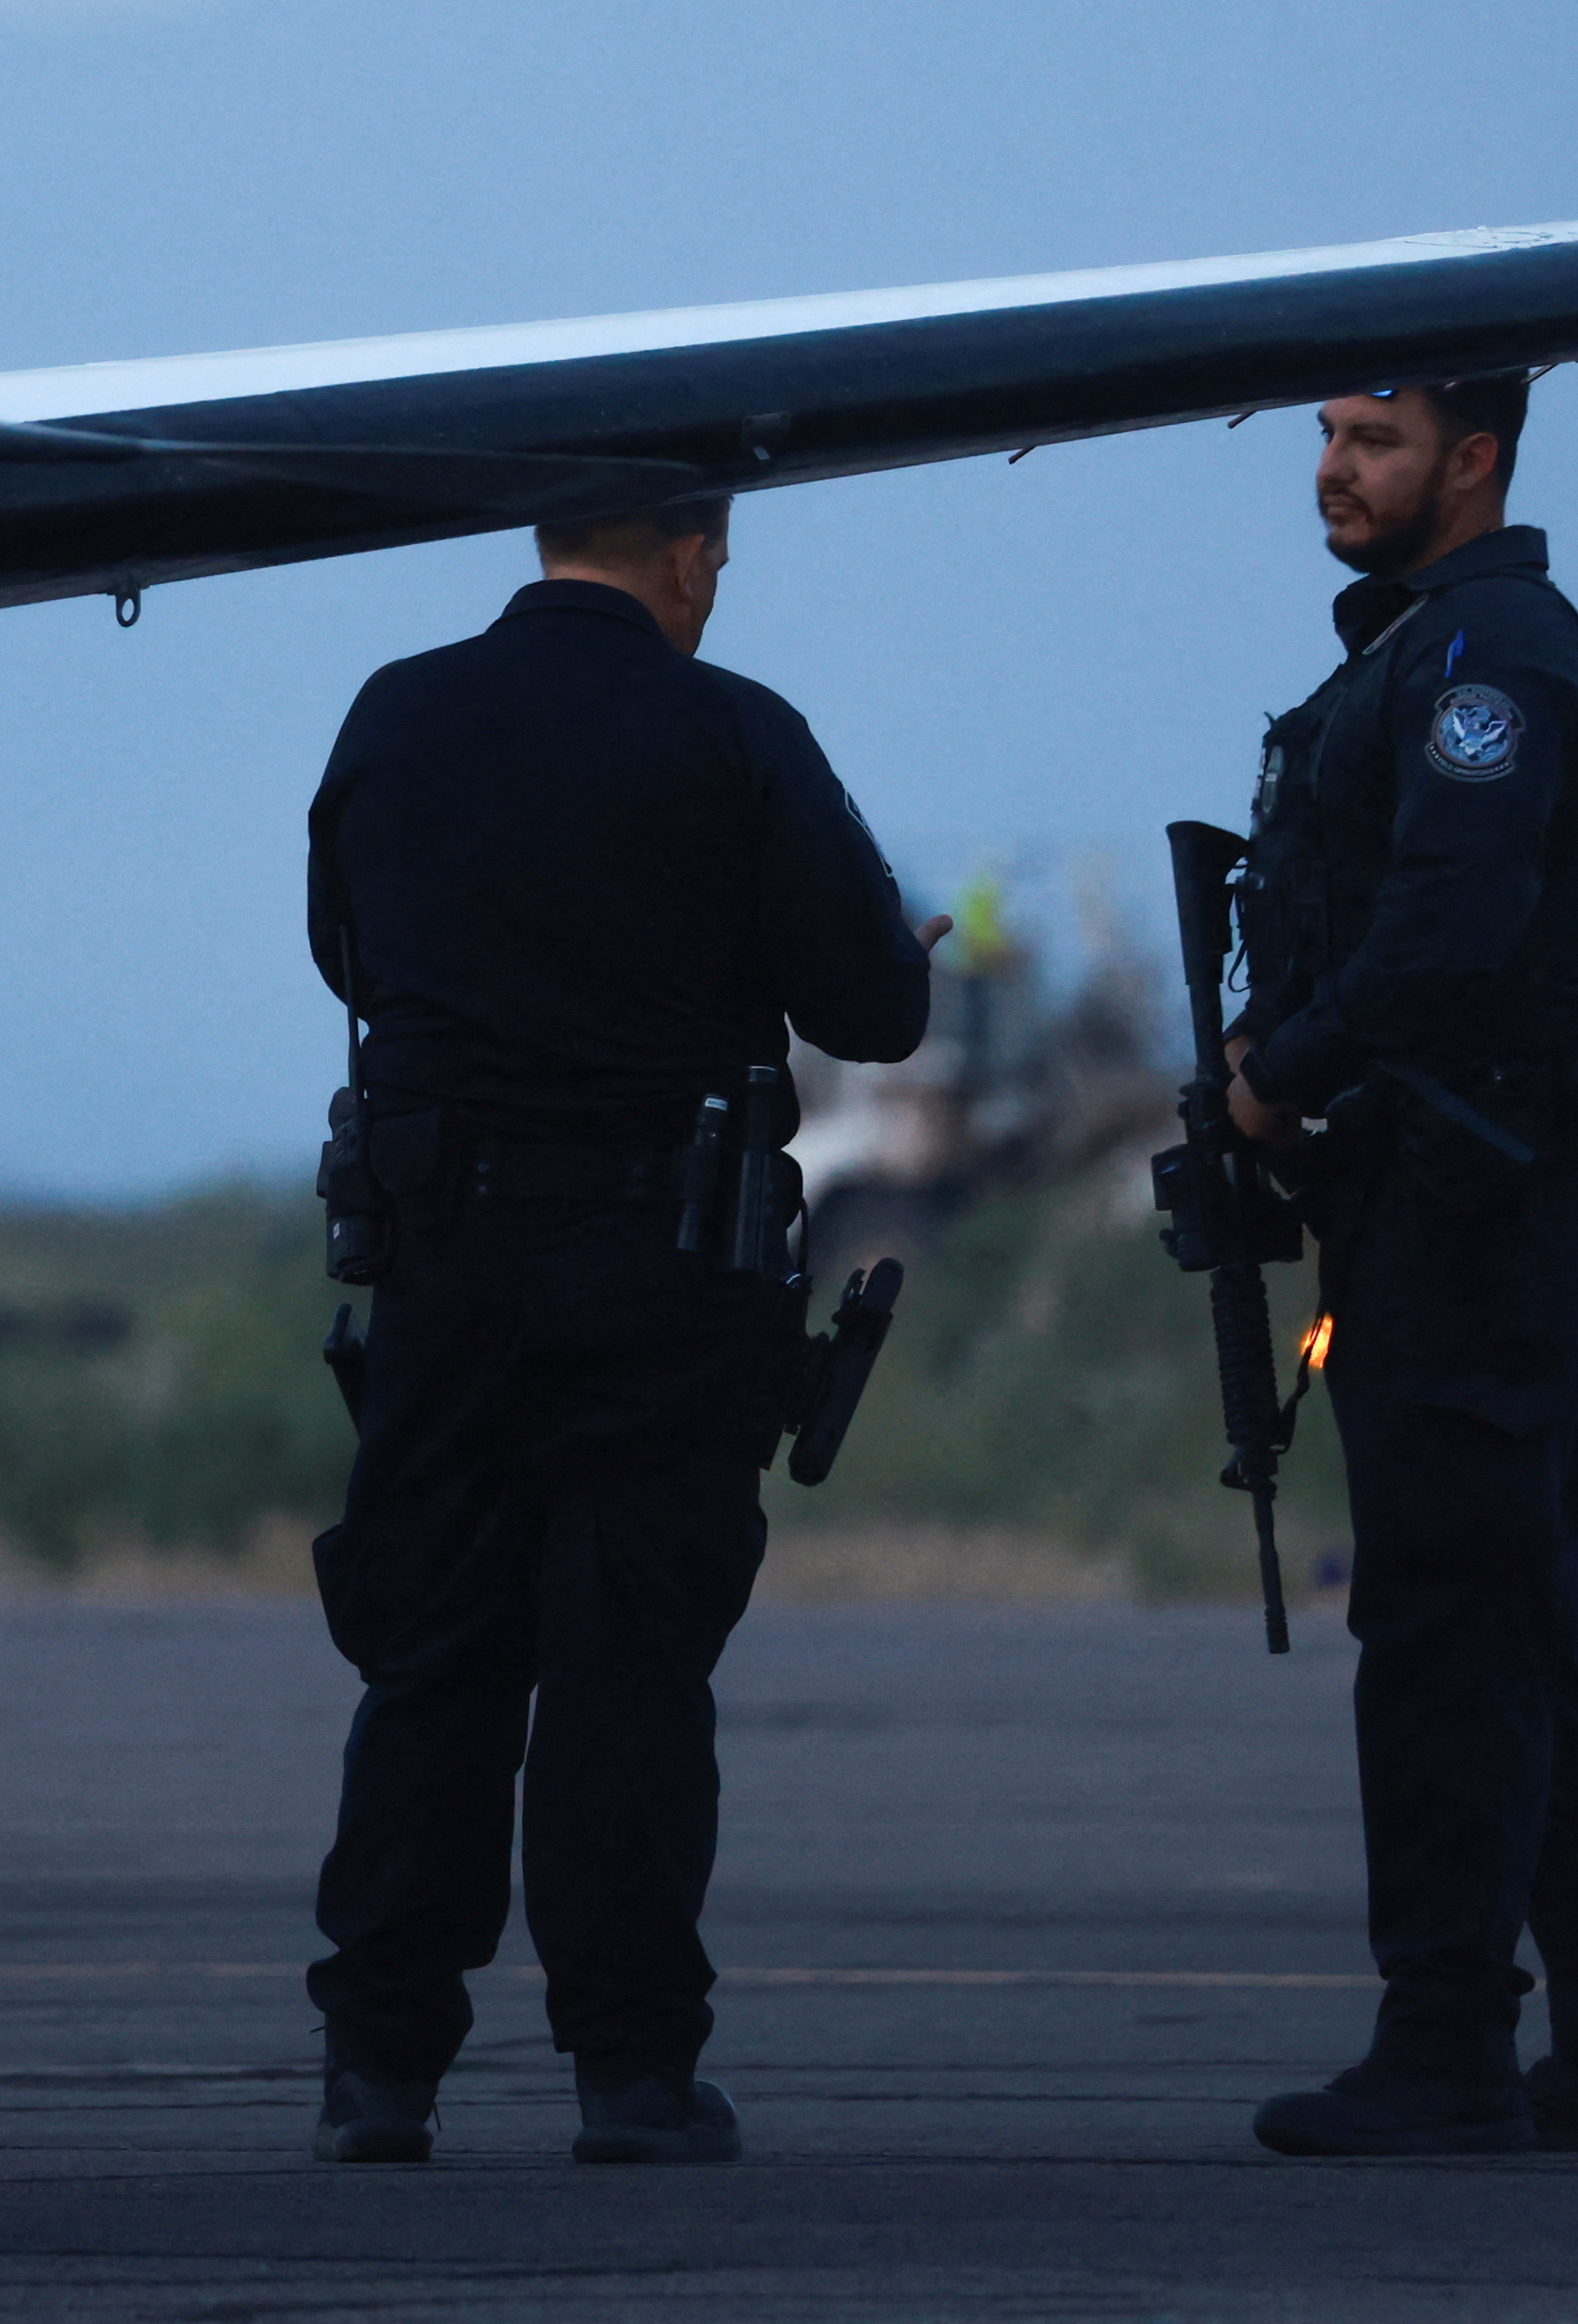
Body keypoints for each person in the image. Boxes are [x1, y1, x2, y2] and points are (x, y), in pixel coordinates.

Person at [297, 494, 946, 2167]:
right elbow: (872, 1006)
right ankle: (634, 2074)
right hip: (667, 1267)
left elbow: (344, 949)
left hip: (445, 1265)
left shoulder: (396, 709)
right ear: (692, 550)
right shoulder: (736, 733)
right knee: (629, 1669)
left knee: (432, 1659)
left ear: (537, 531)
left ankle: (377, 2070)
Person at [1218, 375, 1578, 2157]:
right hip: (1462, 1184)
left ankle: (1444, 2045)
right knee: (1511, 1601)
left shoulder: (1485, 661)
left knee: (1446, 1609)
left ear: (1476, 458)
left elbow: (1447, 927)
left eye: (1373, 439)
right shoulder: (1428, 647)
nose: (1333, 469)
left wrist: (1279, 1073)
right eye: (1330, 436)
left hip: (1487, 1191)